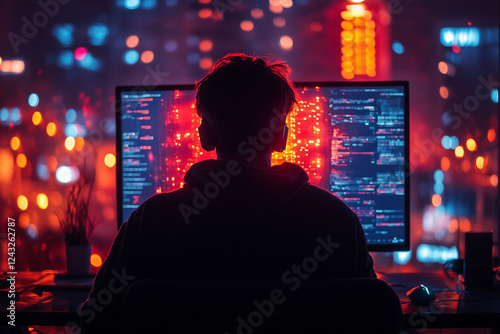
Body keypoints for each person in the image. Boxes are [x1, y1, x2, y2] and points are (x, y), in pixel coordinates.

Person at [80, 53, 375, 333]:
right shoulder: (337, 223)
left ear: (204, 134)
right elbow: (374, 314)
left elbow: (97, 322)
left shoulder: (151, 223)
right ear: (281, 135)